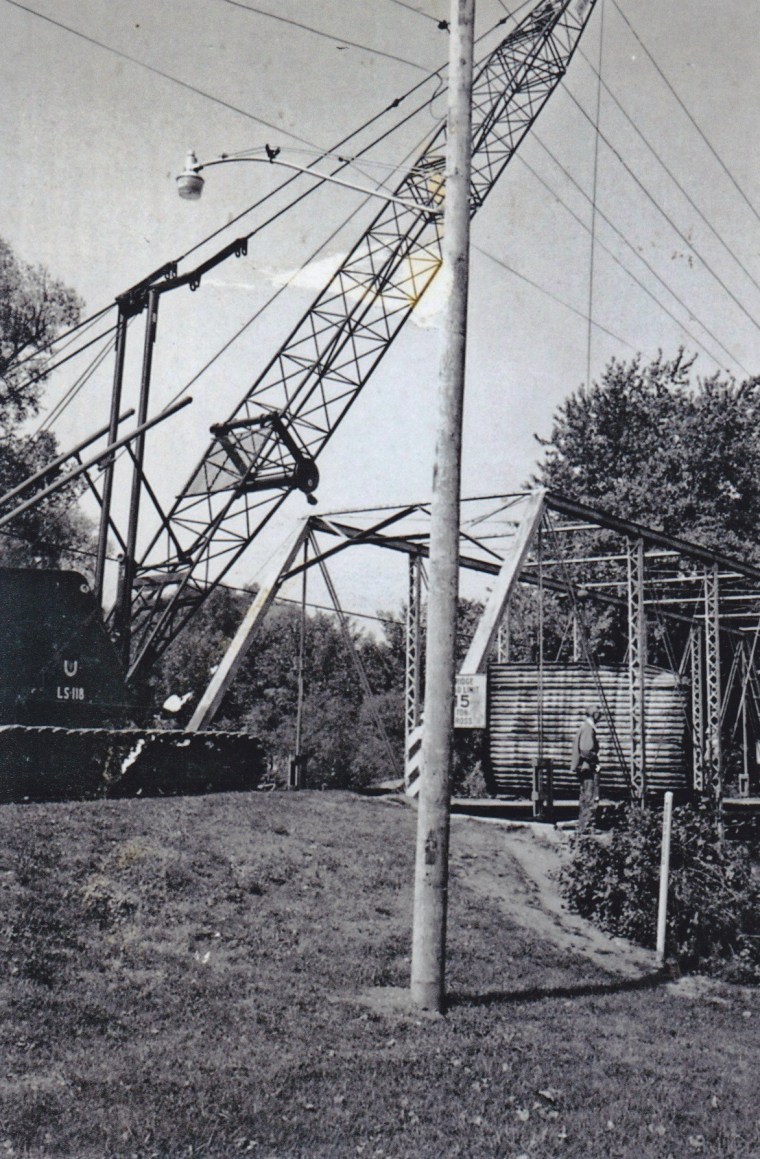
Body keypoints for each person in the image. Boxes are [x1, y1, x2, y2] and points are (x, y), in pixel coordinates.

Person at [571, 706, 601, 832]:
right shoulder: (588, 729)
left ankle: (584, 826)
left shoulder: (585, 727)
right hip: (588, 768)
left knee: (585, 797)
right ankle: (588, 827)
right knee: (590, 797)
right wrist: (595, 764)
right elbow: (586, 750)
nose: (600, 717)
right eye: (599, 714)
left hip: (584, 767)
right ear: (594, 714)